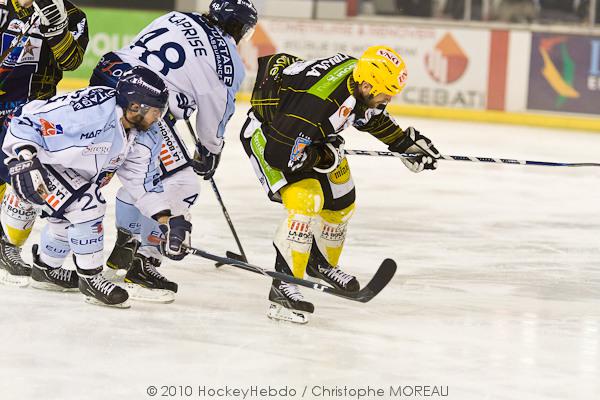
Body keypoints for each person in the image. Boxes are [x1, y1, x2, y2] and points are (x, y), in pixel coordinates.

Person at [240, 47, 440, 324]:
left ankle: (319, 263)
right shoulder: (315, 106)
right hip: (273, 138)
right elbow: (281, 156)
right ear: (367, 84)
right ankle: (283, 286)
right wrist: (324, 155)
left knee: (342, 200)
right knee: (306, 200)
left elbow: (368, 114)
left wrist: (404, 143)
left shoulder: (359, 80)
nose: (388, 98)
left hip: (307, 136)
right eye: (385, 92)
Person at [88, 0, 257, 302]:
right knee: (179, 183)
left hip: (107, 76)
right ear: (239, 28)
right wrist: (209, 150)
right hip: (144, 102)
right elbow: (215, 114)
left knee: (142, 171)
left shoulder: (180, 17)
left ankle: (122, 252)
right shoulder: (229, 59)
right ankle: (145, 262)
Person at [0, 66, 192, 307]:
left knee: (67, 218)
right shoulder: (91, 111)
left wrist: (166, 223)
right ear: (135, 107)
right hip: (39, 162)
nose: (158, 118)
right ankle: (91, 280)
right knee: (87, 205)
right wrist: (24, 159)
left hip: (70, 172)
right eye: (155, 111)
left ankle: (45, 269)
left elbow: (144, 184)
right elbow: (27, 121)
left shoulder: (145, 135)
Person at [0, 0, 88, 285]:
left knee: (23, 179)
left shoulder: (73, 14)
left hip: (32, 112)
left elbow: (71, 61)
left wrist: (57, 28)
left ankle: (7, 245)